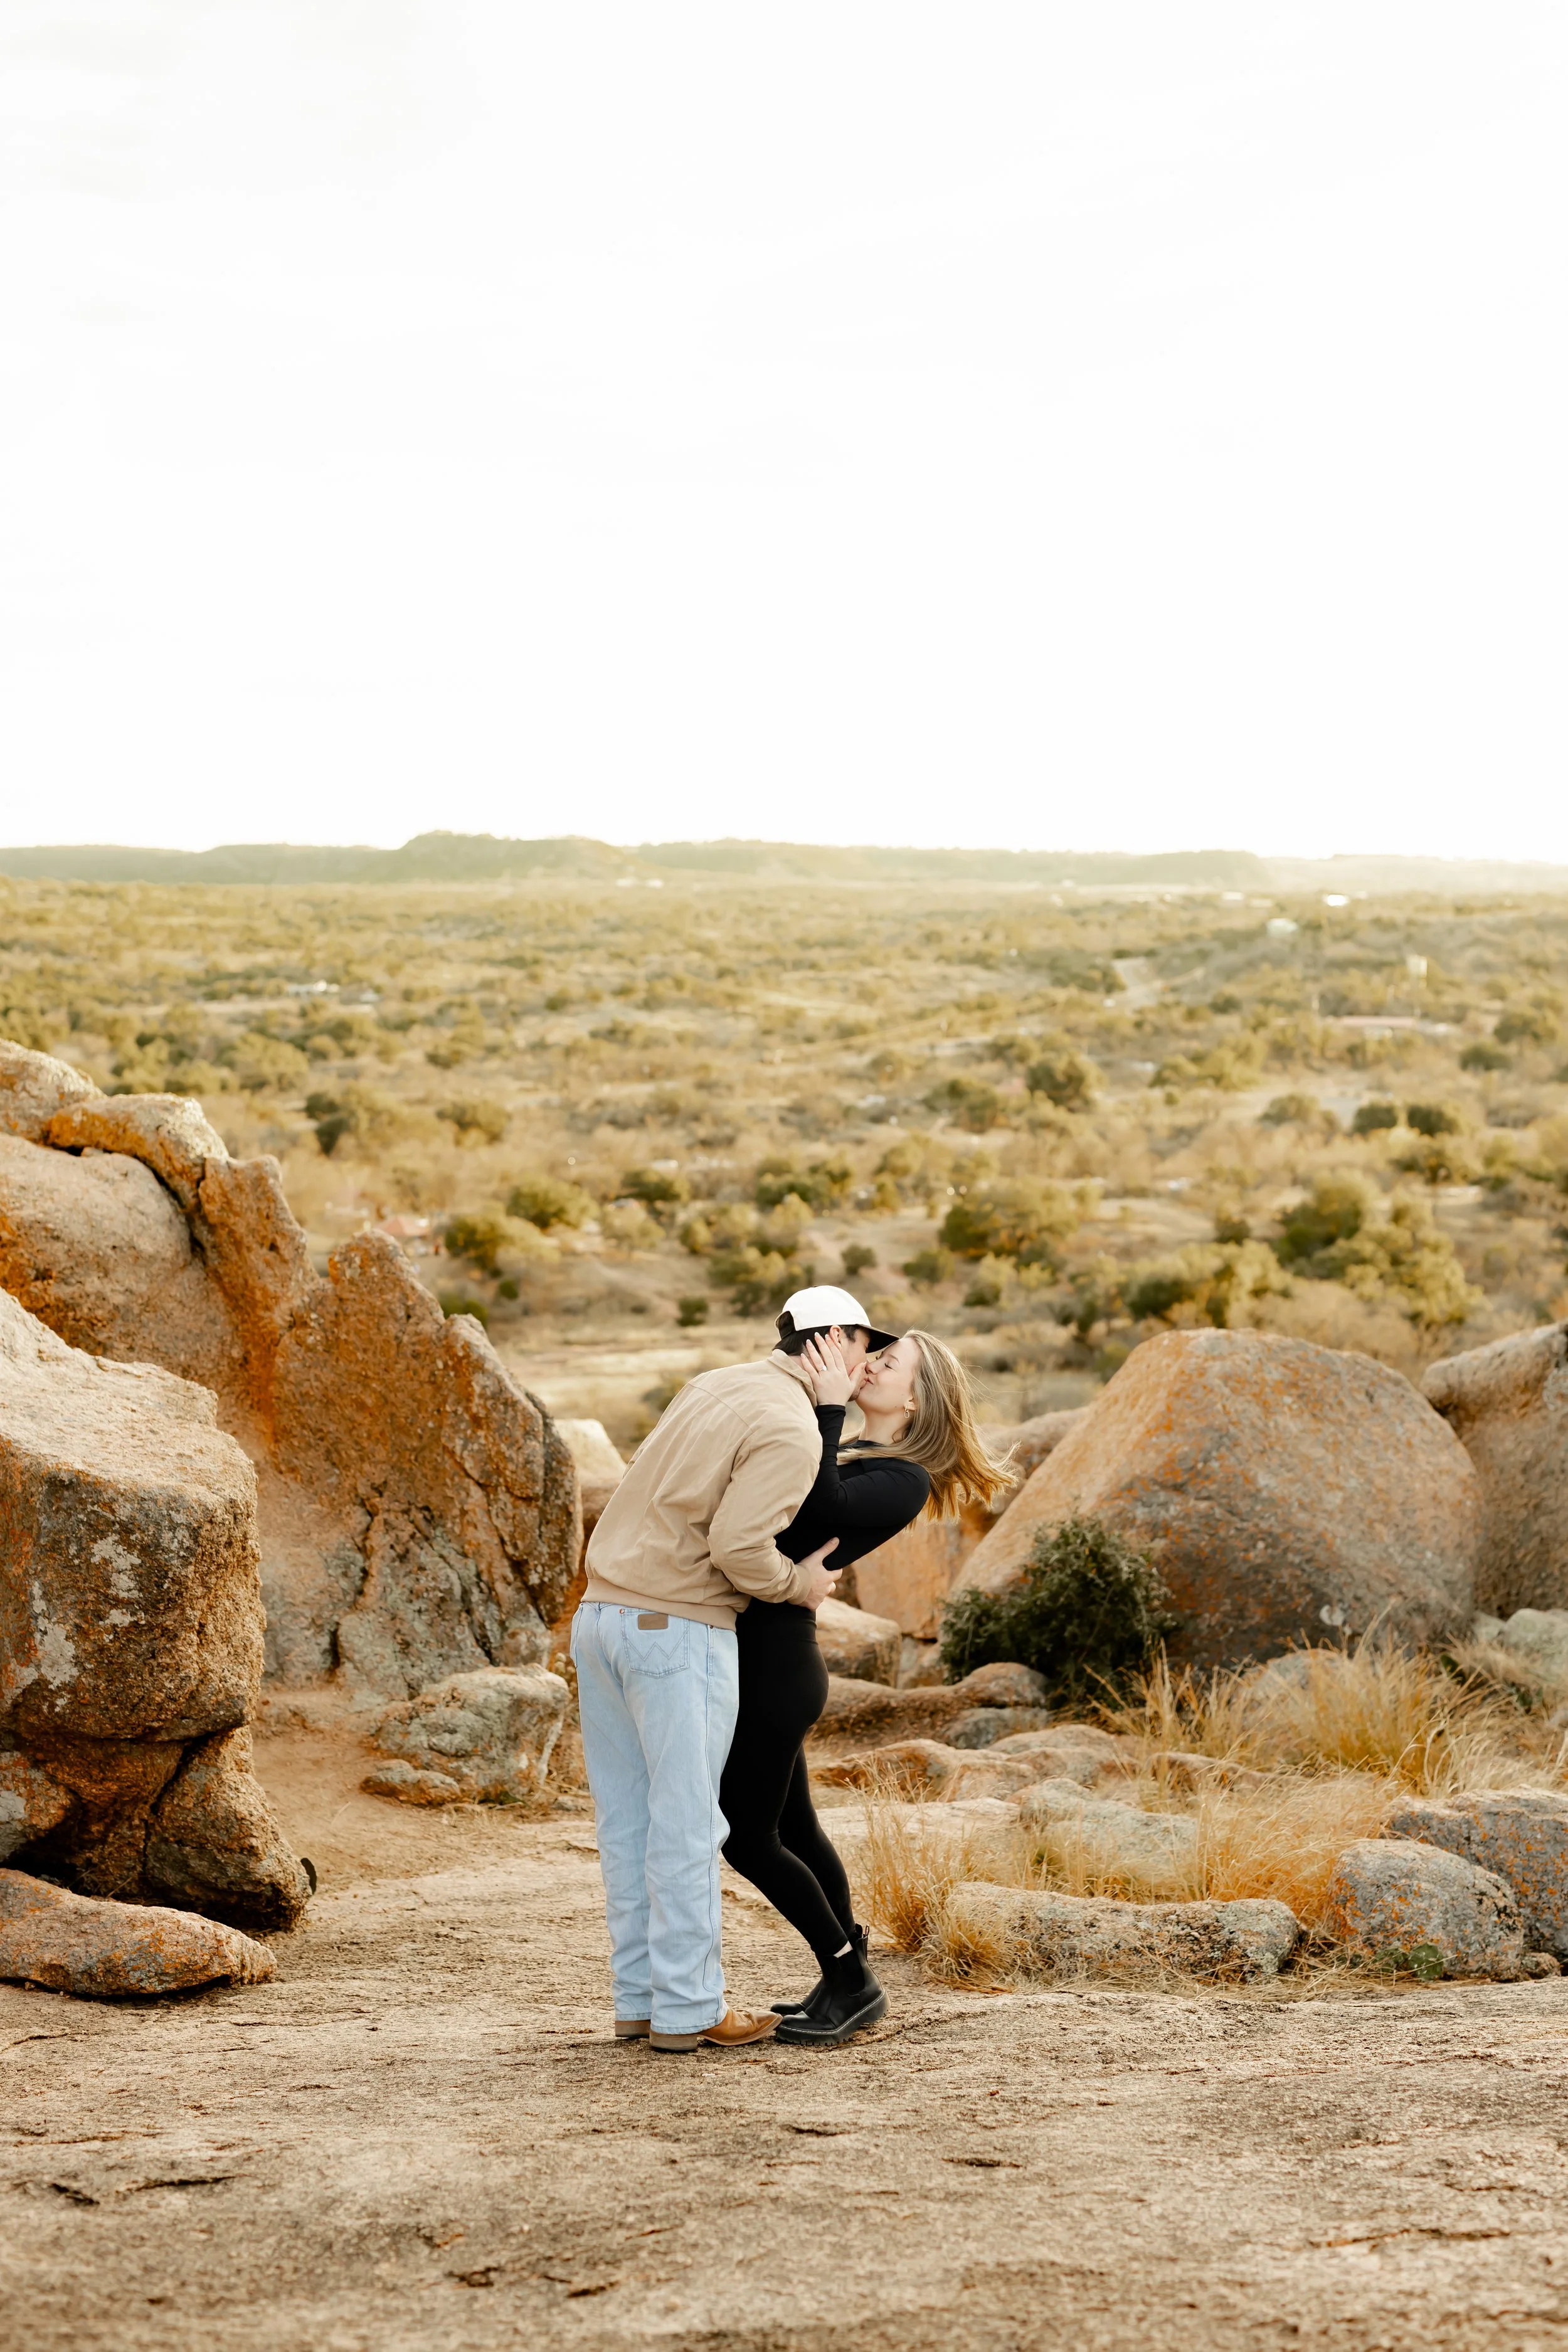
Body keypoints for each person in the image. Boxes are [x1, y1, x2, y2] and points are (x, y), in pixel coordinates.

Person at [571, 1285, 899, 2053]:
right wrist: (801, 1585)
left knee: (627, 1824)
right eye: (864, 1343)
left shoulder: (711, 1385)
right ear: (837, 1337)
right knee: (687, 1824)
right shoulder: (789, 1426)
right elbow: (738, 1550)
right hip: (677, 1630)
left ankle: (640, 2003)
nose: (866, 1361)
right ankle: (689, 2012)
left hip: (601, 1617)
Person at [720, 1323, 1012, 2045]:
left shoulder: (903, 1478)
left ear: (916, 1400)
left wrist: (823, 1409)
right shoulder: (853, 1450)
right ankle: (840, 1976)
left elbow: (818, 1509)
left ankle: (852, 1981)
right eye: (872, 1355)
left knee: (745, 1837)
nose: (868, 1365)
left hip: (776, 1666)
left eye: (887, 1363)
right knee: (796, 1829)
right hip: (762, 1652)